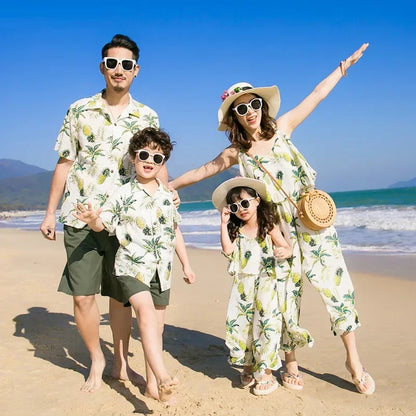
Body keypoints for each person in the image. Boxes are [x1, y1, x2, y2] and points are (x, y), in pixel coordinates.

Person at [170, 43, 376, 395]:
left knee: (337, 290)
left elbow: (316, 96)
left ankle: (353, 361)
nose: (249, 111)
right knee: (285, 296)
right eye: (240, 108)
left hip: (313, 221)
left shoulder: (282, 128)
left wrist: (343, 69)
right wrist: (167, 186)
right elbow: (204, 170)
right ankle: (290, 363)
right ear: (234, 116)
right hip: (276, 232)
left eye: (253, 104)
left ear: (261, 106)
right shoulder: (237, 153)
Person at [40, 34, 174, 392]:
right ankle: (96, 361)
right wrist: (50, 213)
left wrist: (168, 199)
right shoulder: (79, 109)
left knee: (121, 296)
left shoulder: (147, 115)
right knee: (83, 296)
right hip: (80, 215)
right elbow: (64, 162)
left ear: (136, 70)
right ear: (102, 67)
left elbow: (155, 162)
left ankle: (119, 362)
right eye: (112, 63)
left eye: (126, 64)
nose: (119, 70)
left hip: (128, 221)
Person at [74, 127, 195, 403]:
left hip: (161, 270)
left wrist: (186, 264)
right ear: (133, 156)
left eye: (158, 157)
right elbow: (104, 224)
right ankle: (163, 375)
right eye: (144, 154)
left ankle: (154, 386)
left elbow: (174, 230)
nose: (150, 161)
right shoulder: (122, 193)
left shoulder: (167, 195)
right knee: (145, 313)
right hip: (131, 266)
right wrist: (92, 219)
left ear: (164, 162)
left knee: (157, 328)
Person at [212, 177, 295, 396]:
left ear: (257, 201)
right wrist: (223, 224)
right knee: (244, 326)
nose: (241, 209)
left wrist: (283, 251)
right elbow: (228, 251)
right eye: (235, 207)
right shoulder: (236, 231)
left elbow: (287, 247)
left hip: (267, 282)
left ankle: (266, 372)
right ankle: (248, 365)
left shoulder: (268, 227)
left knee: (266, 324)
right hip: (243, 286)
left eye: (245, 203)